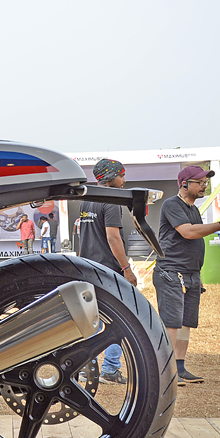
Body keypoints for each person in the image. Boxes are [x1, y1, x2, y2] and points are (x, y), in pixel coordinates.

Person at [153, 165, 220, 385]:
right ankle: (167, 372)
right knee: (172, 323)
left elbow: (194, 240)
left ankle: (180, 367)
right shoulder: (171, 205)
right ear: (184, 184)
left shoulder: (193, 208)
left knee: (185, 323)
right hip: (171, 272)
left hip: (190, 274)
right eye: (200, 182)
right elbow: (188, 232)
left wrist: (198, 273)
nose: (205, 186)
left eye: (206, 182)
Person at [78, 159, 136, 384]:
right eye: (122, 175)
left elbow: (83, 236)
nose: (124, 180)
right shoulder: (111, 202)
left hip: (88, 268)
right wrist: (126, 269)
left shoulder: (87, 201)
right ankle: (110, 369)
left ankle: (86, 367)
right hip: (109, 271)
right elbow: (113, 238)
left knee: (92, 320)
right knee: (118, 320)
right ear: (111, 177)